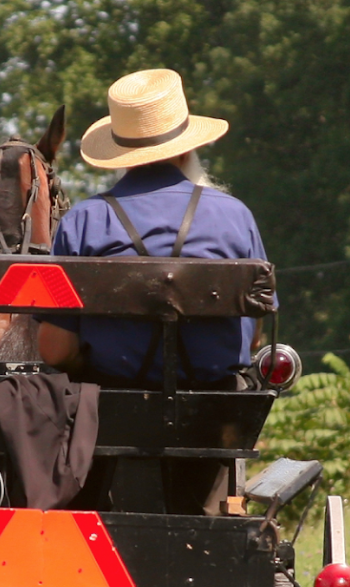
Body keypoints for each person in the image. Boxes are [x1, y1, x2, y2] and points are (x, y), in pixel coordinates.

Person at [36, 69, 272, 514]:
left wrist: (96, 357)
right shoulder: (235, 216)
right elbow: (252, 336)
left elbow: (53, 347)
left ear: (121, 152)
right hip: (209, 413)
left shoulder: (82, 223)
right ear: (188, 148)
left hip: (107, 413)